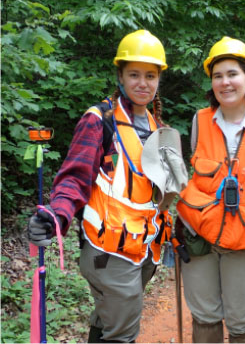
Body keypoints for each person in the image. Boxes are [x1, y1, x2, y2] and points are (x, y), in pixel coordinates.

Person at [27, 30, 175, 343]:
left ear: (159, 79)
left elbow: (159, 192)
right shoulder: (100, 120)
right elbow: (75, 177)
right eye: (134, 74)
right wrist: (57, 216)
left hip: (144, 247)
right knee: (122, 333)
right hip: (108, 250)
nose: (142, 83)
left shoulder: (158, 126)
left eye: (150, 75)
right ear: (120, 74)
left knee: (106, 318)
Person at [175, 36, 245, 343]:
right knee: (205, 315)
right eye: (217, 75)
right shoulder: (199, 120)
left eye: (233, 74)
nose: (225, 82)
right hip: (199, 239)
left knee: (241, 320)